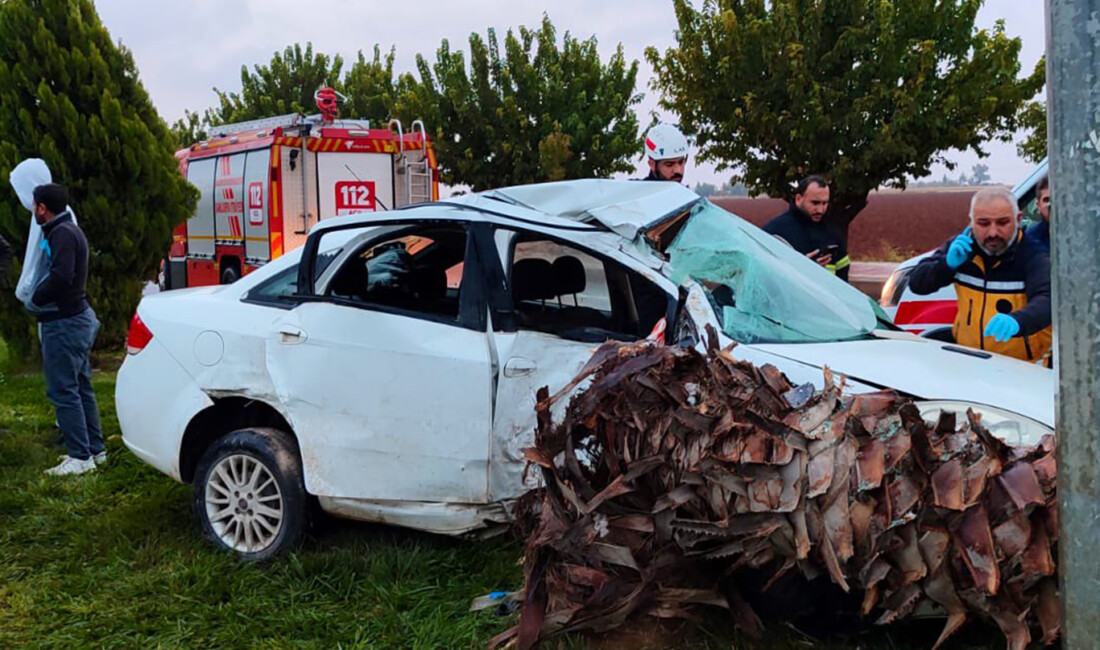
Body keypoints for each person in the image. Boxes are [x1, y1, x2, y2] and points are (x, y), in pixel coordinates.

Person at [908, 186, 1052, 363]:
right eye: (983, 223)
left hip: (1022, 367)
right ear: (972, 222)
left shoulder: (1033, 254)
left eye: (1002, 223)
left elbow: (1047, 300)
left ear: (1018, 219)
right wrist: (946, 265)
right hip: (970, 361)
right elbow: (917, 284)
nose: (993, 232)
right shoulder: (962, 248)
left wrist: (1019, 321)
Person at [30, 183, 106, 476]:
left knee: (64, 389)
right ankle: (95, 449)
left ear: (42, 208)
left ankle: (79, 457)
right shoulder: (69, 229)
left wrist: (36, 298)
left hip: (64, 322)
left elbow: (62, 275)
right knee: (80, 385)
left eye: (34, 205)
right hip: (77, 319)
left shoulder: (61, 233)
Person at [762, 175, 851, 281]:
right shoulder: (775, 231)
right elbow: (763, 274)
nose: (820, 210)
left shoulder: (833, 231)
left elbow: (843, 275)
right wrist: (803, 267)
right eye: (815, 203)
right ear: (799, 199)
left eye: (824, 203)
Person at [1025, 176, 1050, 253]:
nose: (1051, 205)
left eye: (1057, 198)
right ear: (1038, 205)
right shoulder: (1030, 239)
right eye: (1047, 200)